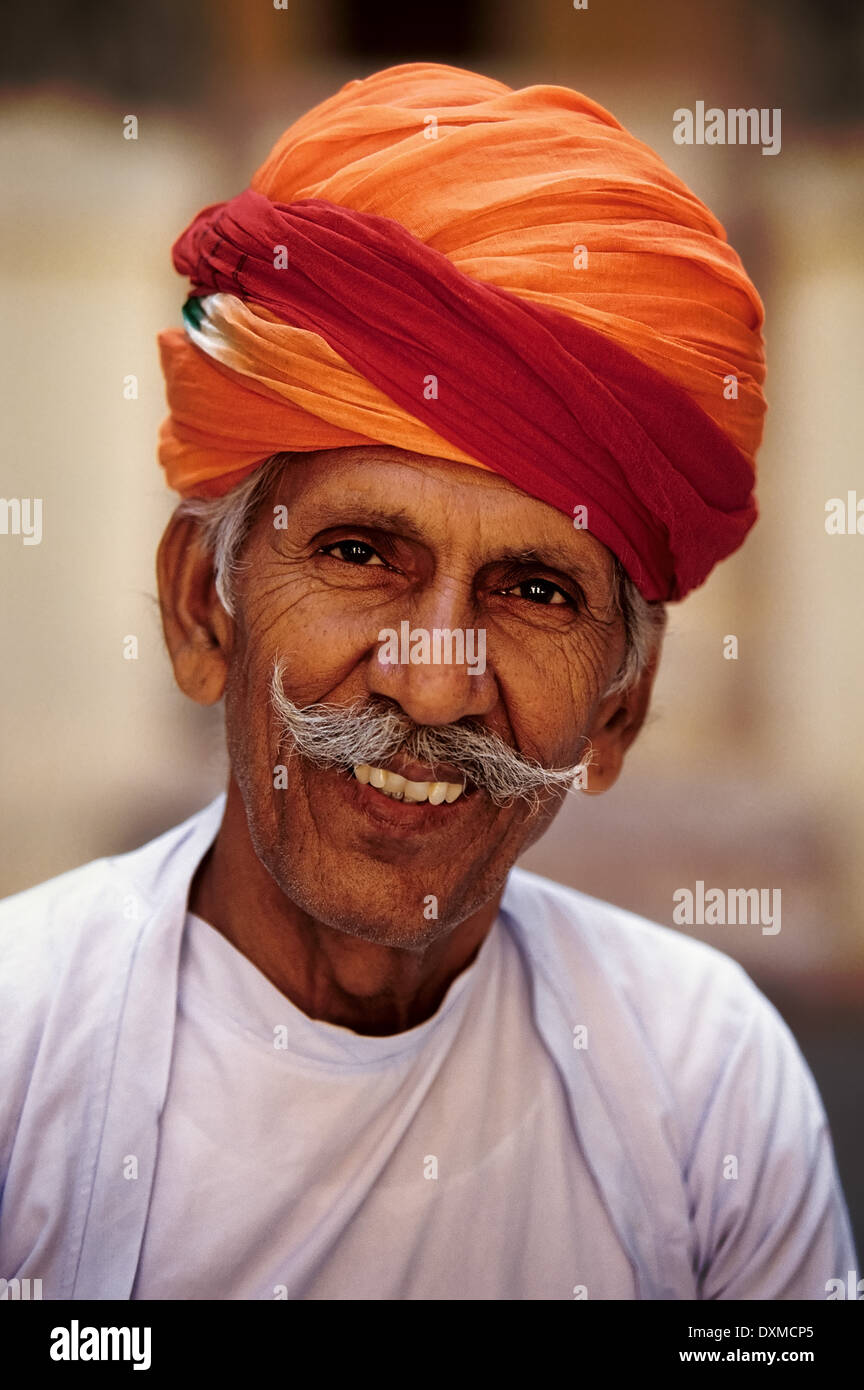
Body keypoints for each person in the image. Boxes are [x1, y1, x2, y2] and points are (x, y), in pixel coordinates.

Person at [0, 62, 855, 1301]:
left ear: (621, 704)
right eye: (358, 554)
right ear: (204, 609)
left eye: (536, 592)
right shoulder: (22, 1053)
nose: (436, 687)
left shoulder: (706, 1084)